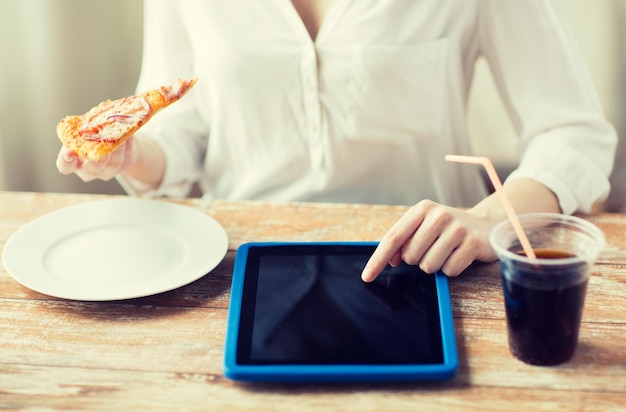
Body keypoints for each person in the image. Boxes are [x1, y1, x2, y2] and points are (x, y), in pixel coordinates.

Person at [57, 0, 617, 281]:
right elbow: (184, 136)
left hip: (427, 267)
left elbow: (574, 132)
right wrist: (134, 154)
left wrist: (489, 215)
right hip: (232, 267)